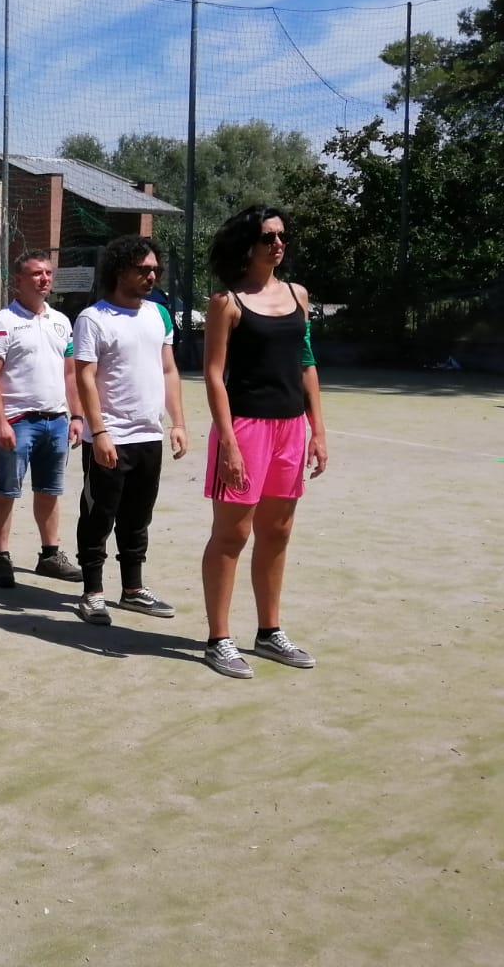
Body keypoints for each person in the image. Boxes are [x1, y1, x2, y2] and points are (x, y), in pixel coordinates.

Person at [199, 206, 328, 679]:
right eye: (268, 237)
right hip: (245, 428)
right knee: (232, 534)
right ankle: (219, 638)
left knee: (278, 531)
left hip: (290, 428)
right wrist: (229, 443)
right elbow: (214, 376)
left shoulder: (298, 295)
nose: (278, 244)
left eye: (281, 236)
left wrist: (318, 430)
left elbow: (306, 363)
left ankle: (269, 632)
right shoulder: (226, 302)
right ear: (247, 245)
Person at [71, 236, 188, 626]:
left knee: (138, 517)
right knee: (98, 514)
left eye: (155, 269)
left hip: (148, 436)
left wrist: (177, 423)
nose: (151, 276)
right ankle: (92, 592)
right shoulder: (93, 318)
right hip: (110, 438)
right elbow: (85, 378)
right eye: (143, 269)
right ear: (121, 270)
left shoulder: (159, 315)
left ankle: (133, 589)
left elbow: (169, 370)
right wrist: (100, 432)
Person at [0, 251, 85, 590]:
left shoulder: (62, 321)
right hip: (18, 421)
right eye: (37, 274)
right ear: (19, 280)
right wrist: (0, 422)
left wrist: (77, 415)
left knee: (50, 491)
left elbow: (70, 373)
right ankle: (1, 557)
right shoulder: (3, 321)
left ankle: (49, 556)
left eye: (48, 273)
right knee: (6, 491)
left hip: (56, 421)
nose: (44, 279)